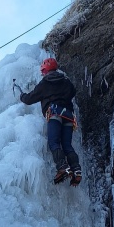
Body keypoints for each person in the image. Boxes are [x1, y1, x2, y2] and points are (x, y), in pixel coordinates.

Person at [19, 57, 82, 186]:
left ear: (45, 70)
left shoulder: (45, 83)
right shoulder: (66, 81)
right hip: (69, 116)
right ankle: (76, 170)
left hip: (54, 113)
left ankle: (62, 167)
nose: (42, 73)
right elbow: (73, 92)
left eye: (43, 71)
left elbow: (30, 99)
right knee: (67, 145)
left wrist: (22, 96)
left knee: (54, 142)